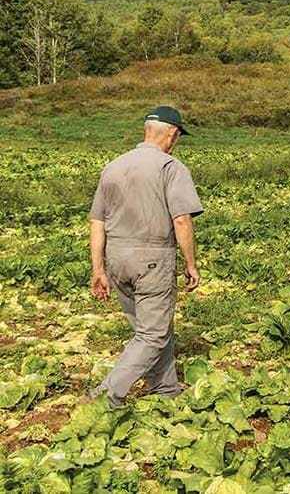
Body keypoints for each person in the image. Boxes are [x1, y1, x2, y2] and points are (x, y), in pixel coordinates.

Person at [85, 106, 203, 407]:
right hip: (152, 257)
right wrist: (191, 264)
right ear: (172, 134)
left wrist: (97, 268)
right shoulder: (170, 167)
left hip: (116, 258)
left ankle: (165, 390)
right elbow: (181, 220)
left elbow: (96, 221)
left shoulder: (113, 166)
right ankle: (105, 396)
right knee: (152, 335)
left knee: (150, 329)